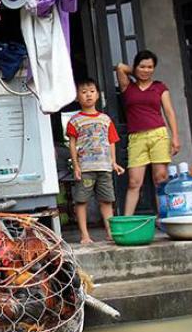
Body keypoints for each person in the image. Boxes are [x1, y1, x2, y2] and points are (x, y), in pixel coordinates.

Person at [115, 50, 180, 216]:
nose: (146, 70)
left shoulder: (160, 87)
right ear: (136, 67)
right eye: (142, 66)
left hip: (159, 135)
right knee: (134, 182)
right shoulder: (128, 86)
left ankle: (165, 217)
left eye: (150, 67)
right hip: (136, 138)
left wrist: (175, 137)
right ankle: (127, 221)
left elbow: (169, 112)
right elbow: (120, 67)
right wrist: (136, 72)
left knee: (161, 178)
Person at [67, 78, 125, 244]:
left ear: (98, 95)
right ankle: (85, 235)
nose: (88, 95)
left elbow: (112, 141)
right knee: (81, 200)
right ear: (77, 97)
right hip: (85, 168)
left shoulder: (105, 119)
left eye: (91, 91)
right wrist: (76, 166)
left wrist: (113, 163)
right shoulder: (75, 121)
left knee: (107, 200)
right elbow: (72, 144)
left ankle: (110, 232)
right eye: (83, 92)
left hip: (104, 167)